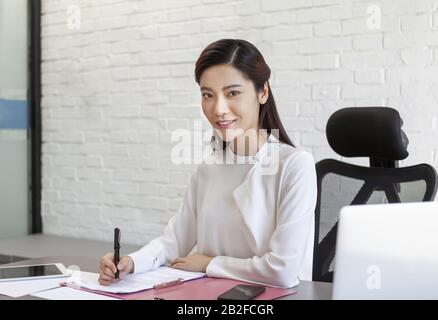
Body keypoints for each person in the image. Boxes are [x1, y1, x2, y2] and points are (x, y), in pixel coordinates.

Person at [99, 39, 317, 288]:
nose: (219, 109)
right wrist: (131, 262)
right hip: (210, 294)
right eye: (207, 95)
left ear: (262, 92)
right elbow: (174, 241)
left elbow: (283, 271)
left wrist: (209, 263)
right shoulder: (208, 168)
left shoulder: (294, 165)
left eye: (232, 93)